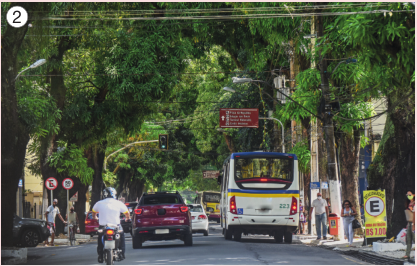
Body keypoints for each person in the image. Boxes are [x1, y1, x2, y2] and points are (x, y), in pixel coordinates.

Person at [92, 187, 130, 263]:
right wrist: (127, 218)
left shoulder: (98, 203)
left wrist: (95, 217)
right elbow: (127, 213)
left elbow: (94, 214)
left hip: (103, 226)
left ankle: (100, 255)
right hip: (116, 226)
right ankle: (122, 253)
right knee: (121, 235)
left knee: (100, 237)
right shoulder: (119, 203)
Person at [404, 190, 415, 260]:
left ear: (413, 195)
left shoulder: (414, 203)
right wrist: (408, 224)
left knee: (414, 238)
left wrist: (414, 224)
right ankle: (407, 254)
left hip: (414, 222)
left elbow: (414, 214)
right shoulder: (408, 203)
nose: (408, 196)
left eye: (410, 194)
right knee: (409, 238)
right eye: (407, 195)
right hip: (410, 222)